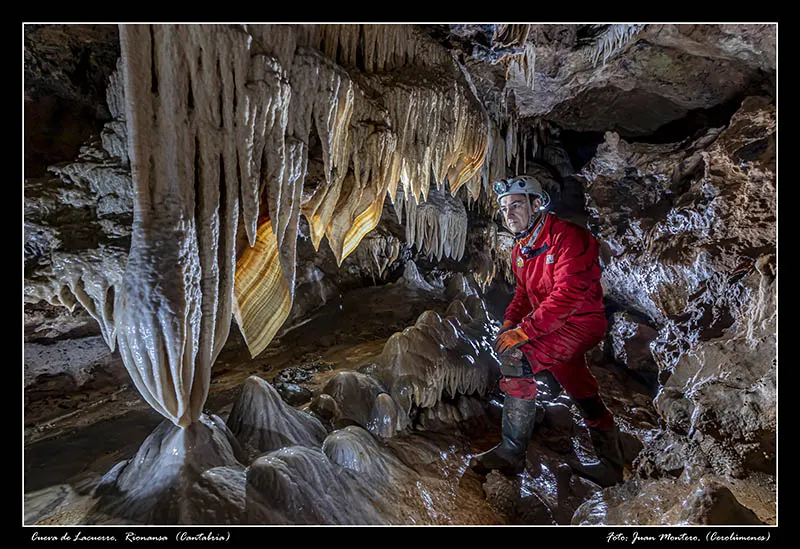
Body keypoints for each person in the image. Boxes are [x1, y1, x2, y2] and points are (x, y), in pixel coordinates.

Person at [469, 174, 626, 487]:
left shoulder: (569, 238)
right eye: (504, 209)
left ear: (537, 204)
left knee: (516, 360)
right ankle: (612, 463)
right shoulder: (521, 251)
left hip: (581, 323)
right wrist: (509, 324)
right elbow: (524, 295)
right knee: (578, 384)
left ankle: (512, 453)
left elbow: (568, 294)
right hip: (552, 325)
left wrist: (524, 333)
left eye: (516, 205)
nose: (508, 213)